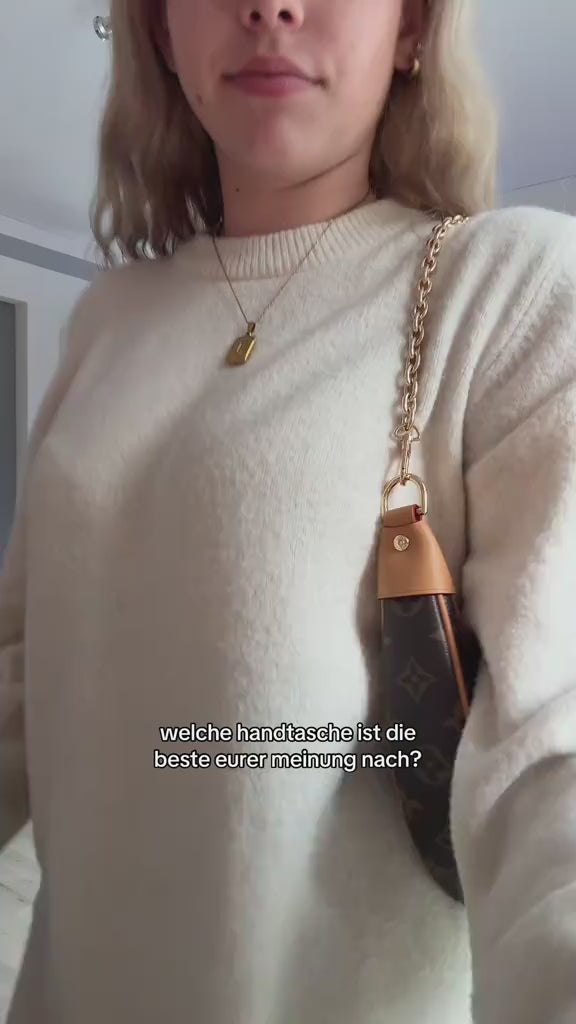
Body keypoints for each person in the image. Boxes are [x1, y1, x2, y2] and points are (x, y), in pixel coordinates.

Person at [1, 0, 575, 1020]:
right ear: (161, 31)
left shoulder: (508, 292)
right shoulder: (104, 321)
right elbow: (21, 678)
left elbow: (555, 761)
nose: (271, 6)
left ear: (412, 29)